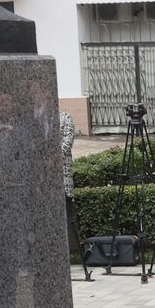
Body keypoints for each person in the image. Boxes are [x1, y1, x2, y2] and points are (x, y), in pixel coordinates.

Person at [60, 110, 81, 258]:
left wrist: (51, 157)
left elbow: (67, 142)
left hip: (62, 172)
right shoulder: (36, 117)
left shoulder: (65, 117)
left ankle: (70, 248)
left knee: (67, 212)